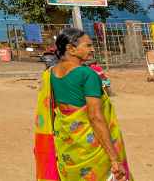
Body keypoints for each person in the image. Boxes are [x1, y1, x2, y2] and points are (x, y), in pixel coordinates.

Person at [34, 28, 131, 181]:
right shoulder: (88, 75)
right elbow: (95, 117)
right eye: (88, 45)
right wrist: (114, 158)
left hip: (67, 148)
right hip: (93, 149)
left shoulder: (51, 73)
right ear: (71, 49)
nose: (92, 49)